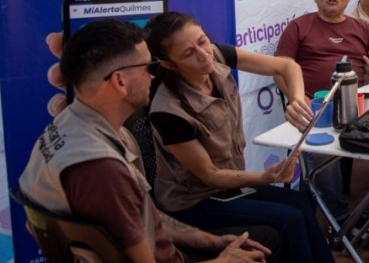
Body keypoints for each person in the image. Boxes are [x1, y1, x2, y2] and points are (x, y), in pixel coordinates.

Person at [21, 20, 276, 262]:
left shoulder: (71, 124)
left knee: (268, 236)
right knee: (273, 241)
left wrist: (214, 242)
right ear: (120, 81)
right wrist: (224, 260)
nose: (154, 77)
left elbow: (147, 217)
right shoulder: (102, 170)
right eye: (148, 68)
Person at [145, 12, 334, 263]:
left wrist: (296, 99)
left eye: (202, 41)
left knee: (299, 202)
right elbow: (210, 174)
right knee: (290, 219)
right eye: (189, 53)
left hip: (228, 187)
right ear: (168, 64)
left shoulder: (218, 54)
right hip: (194, 202)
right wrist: (266, 177)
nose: (204, 55)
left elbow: (287, 66)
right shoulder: (169, 111)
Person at [276, 0, 369, 247]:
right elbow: (279, 70)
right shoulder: (299, 26)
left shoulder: (362, 28)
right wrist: (298, 98)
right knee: (318, 154)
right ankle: (341, 223)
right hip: (314, 112)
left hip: (359, 108)